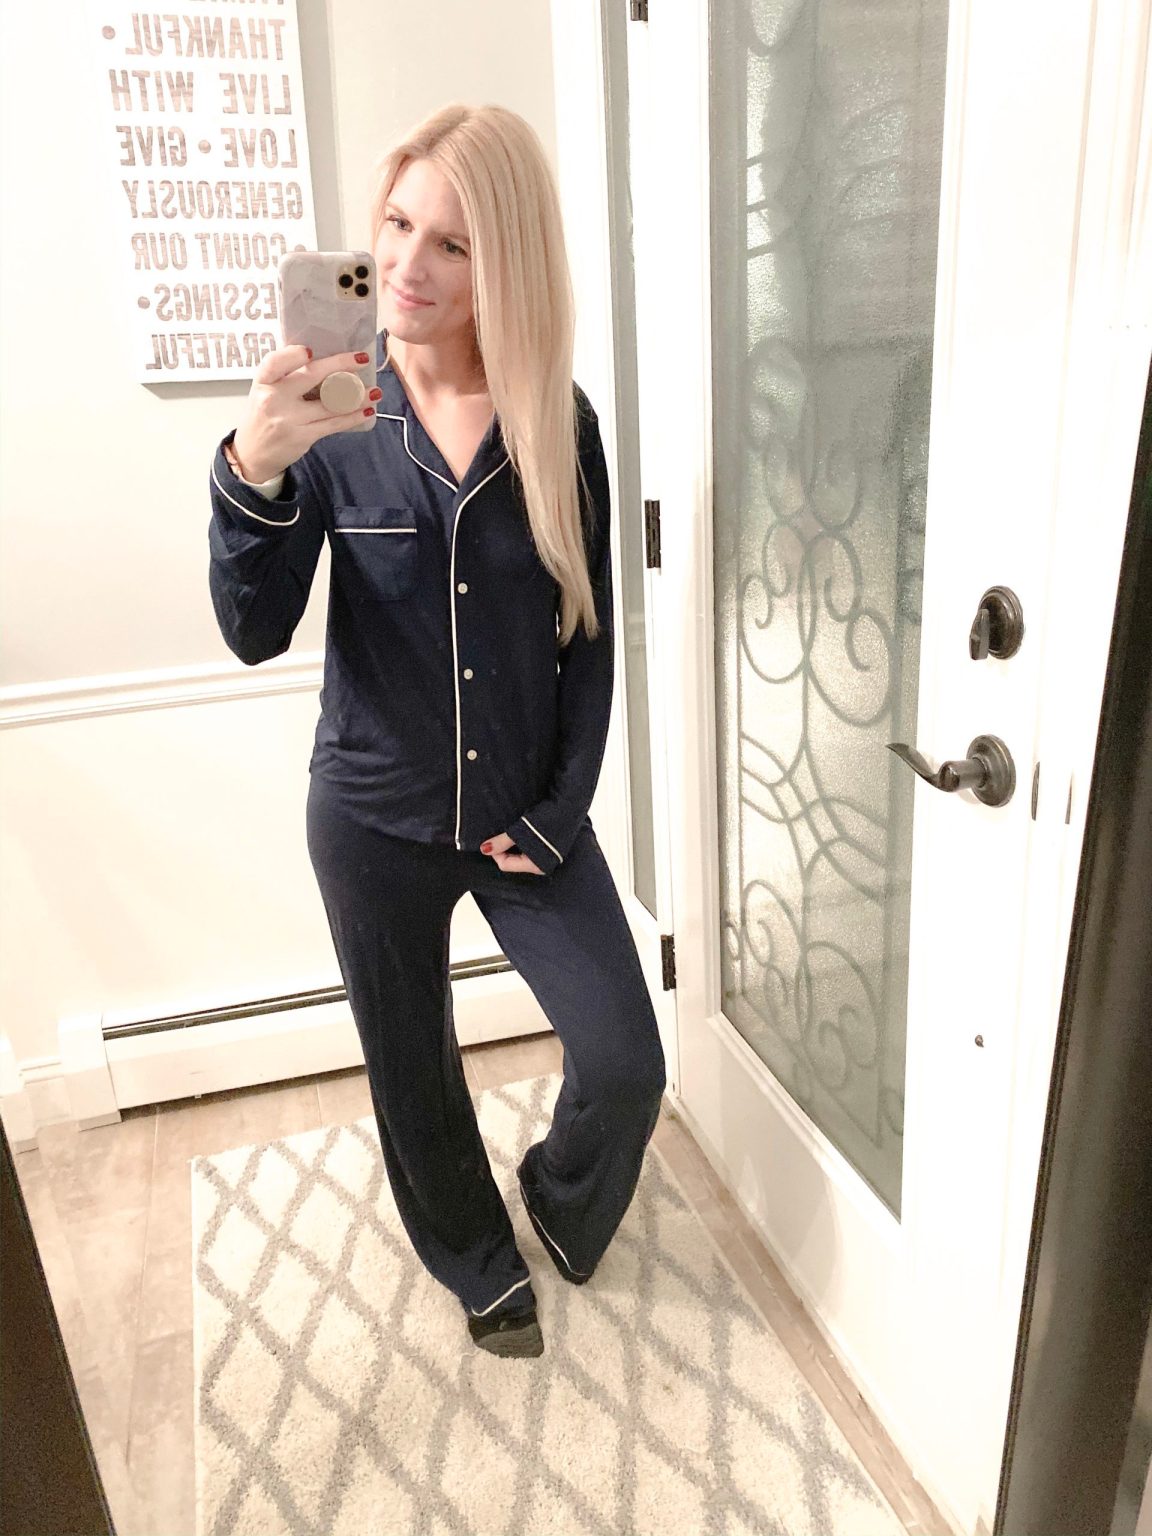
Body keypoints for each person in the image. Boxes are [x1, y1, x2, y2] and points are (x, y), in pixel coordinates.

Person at [207, 103, 666, 1359]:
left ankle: (560, 1202)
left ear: (506, 263)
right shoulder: (334, 414)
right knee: (413, 1069)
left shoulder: (557, 421)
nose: (408, 265)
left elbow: (588, 638)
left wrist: (560, 811)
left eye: (453, 243)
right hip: (374, 816)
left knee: (626, 1061)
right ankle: (473, 1258)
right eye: (399, 225)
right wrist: (253, 472)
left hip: (524, 813)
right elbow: (254, 629)